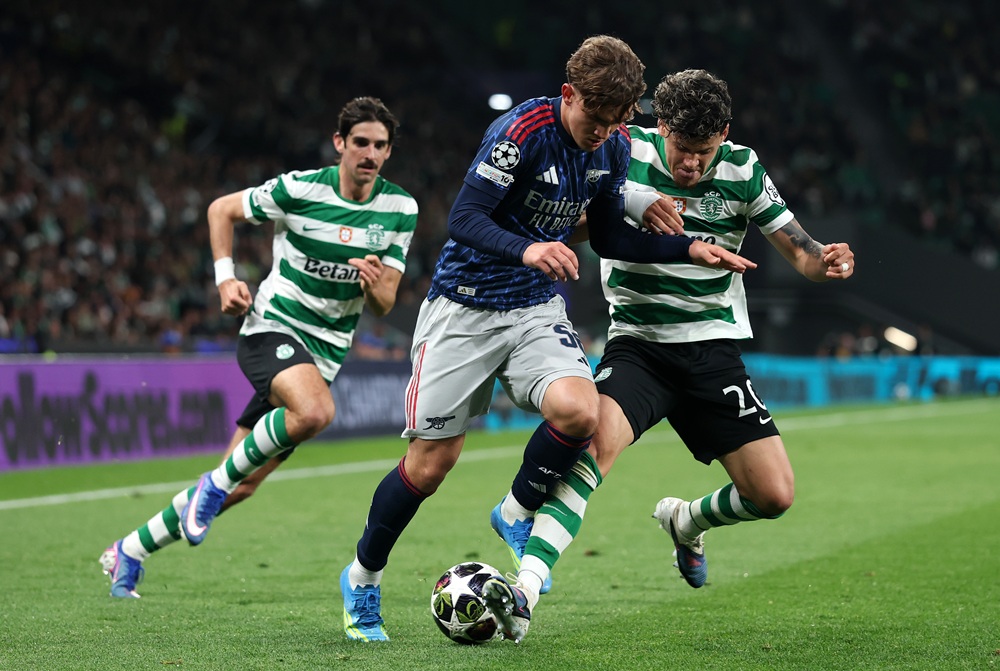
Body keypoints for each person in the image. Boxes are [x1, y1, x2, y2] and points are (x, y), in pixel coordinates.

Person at [337, 39, 755, 643]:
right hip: (463, 310)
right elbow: (465, 218)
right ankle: (363, 577)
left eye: (617, 122)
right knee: (430, 467)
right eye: (595, 117)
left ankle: (515, 510)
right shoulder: (521, 132)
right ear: (569, 94)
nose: (604, 132)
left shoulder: (609, 145)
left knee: (581, 410)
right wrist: (529, 247)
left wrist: (686, 248)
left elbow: (611, 238)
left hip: (533, 309)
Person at [504, 68, 857, 637]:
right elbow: (569, 225)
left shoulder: (743, 169)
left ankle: (686, 520)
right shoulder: (622, 150)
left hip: (712, 350)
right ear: (658, 124)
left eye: (704, 151)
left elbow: (804, 255)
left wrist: (830, 261)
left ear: (724, 134)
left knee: (773, 495)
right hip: (639, 345)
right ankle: (524, 589)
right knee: (593, 451)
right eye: (681, 148)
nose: (691, 164)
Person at [99, 96, 418, 598]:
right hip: (274, 327)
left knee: (241, 483)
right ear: (340, 143)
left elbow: (383, 304)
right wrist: (226, 280)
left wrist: (374, 282)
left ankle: (130, 551)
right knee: (314, 412)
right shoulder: (299, 189)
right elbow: (220, 209)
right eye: (361, 142)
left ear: (389, 152)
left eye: (380, 146)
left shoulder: (400, 208)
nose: (370, 154)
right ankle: (209, 488)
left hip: (326, 352)